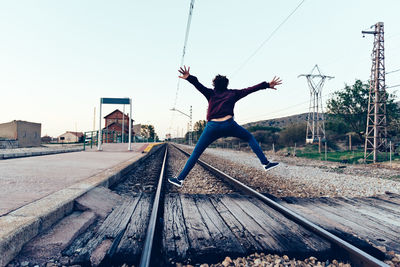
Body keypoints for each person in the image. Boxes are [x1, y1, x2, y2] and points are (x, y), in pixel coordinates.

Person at [168, 66, 282, 187]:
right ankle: (265, 163)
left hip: (212, 127)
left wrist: (189, 77)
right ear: (226, 84)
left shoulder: (210, 93)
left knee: (196, 153)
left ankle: (180, 179)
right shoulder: (233, 93)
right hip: (229, 124)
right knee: (249, 137)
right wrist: (267, 85)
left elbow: (198, 85)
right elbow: (250, 89)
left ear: (214, 85)